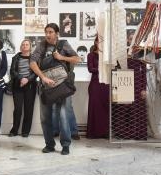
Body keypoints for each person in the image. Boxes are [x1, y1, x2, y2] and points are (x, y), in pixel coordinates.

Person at [30, 23, 80, 155]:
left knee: (63, 115)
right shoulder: (41, 45)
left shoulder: (63, 44)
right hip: (46, 86)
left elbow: (77, 59)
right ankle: (49, 145)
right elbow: (32, 62)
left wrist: (61, 57)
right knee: (45, 118)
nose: (47, 34)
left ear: (57, 33)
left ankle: (65, 145)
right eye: (46, 32)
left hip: (63, 87)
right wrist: (43, 77)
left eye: (51, 32)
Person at [8, 39, 37, 137]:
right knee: (18, 109)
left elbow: (36, 73)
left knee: (29, 109)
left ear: (30, 47)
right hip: (18, 85)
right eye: (23, 44)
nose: (25, 46)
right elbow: (12, 71)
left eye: (27, 44)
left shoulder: (34, 58)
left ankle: (25, 131)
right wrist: (21, 78)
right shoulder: (15, 57)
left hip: (30, 86)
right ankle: (14, 130)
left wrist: (27, 79)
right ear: (21, 47)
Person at [86, 35, 110, 138]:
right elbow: (91, 69)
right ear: (96, 43)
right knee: (94, 107)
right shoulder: (91, 55)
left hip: (106, 84)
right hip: (95, 84)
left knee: (105, 107)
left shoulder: (107, 56)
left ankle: (104, 132)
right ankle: (93, 133)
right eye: (99, 42)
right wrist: (103, 68)